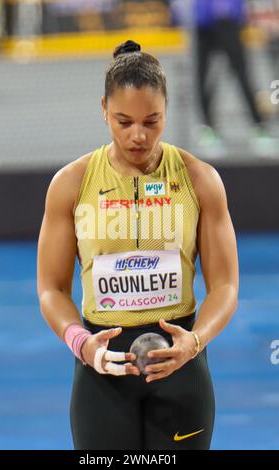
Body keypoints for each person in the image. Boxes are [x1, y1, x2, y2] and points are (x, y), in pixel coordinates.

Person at [37, 39, 239, 450]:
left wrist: (194, 341)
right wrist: (82, 344)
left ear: (167, 111)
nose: (138, 136)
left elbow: (226, 286)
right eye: (123, 121)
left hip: (181, 363)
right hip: (102, 368)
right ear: (103, 111)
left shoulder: (199, 181)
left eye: (152, 121)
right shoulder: (71, 184)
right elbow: (51, 288)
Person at [193, 0, 277, 157]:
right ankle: (207, 129)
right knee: (204, 78)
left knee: (242, 75)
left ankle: (259, 127)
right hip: (204, 21)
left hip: (229, 20)